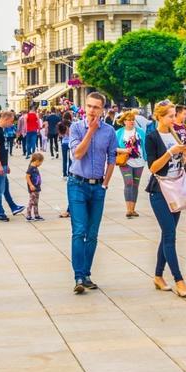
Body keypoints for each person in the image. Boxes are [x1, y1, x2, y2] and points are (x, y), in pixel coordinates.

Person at [144, 101, 186, 297]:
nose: (173, 119)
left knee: (168, 234)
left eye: (174, 115)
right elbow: (153, 167)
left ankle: (158, 276)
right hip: (159, 191)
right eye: (169, 116)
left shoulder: (175, 134)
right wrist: (170, 152)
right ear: (159, 116)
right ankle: (179, 280)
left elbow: (179, 165)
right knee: (170, 236)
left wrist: (184, 155)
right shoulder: (152, 137)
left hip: (176, 189)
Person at [66, 91, 117, 294]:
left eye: (96, 107)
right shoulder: (76, 128)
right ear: (84, 107)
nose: (92, 111)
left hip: (97, 187)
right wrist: (91, 131)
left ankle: (86, 274)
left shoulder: (110, 131)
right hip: (77, 183)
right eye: (89, 106)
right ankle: (79, 276)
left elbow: (112, 158)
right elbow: (77, 154)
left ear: (103, 109)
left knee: (93, 233)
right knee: (79, 231)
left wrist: (105, 183)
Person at [0, 111, 25, 221]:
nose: (12, 124)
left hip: (0, 164)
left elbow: (1, 150)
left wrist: (5, 164)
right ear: (6, 119)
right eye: (11, 121)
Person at [115, 110, 147, 218]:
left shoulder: (140, 132)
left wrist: (147, 158)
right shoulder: (119, 133)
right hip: (125, 162)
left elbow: (145, 146)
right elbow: (113, 148)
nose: (131, 122)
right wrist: (124, 151)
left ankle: (133, 209)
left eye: (133, 120)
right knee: (128, 183)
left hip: (140, 162)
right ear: (124, 121)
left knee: (135, 185)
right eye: (129, 120)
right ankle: (128, 209)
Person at [59, 109, 74, 218]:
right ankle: (68, 172)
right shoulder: (72, 125)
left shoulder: (62, 125)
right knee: (70, 160)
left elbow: (60, 135)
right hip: (70, 145)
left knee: (65, 159)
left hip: (65, 143)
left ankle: (65, 173)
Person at [25, 151, 45, 221]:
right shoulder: (31, 168)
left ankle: (36, 215)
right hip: (33, 188)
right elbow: (27, 177)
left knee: (36, 202)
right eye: (41, 162)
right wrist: (31, 185)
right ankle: (28, 215)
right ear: (37, 161)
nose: (41, 164)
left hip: (37, 188)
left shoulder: (35, 167)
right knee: (31, 202)